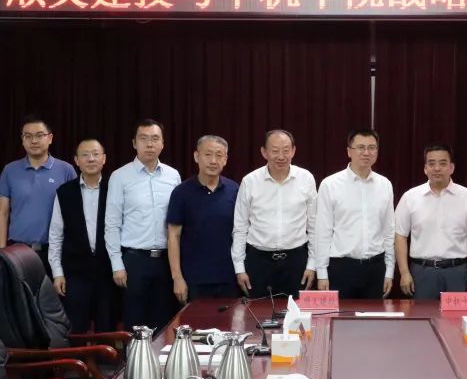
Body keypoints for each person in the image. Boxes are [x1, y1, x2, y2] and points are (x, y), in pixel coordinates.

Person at [105, 119, 181, 331]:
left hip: (165, 261)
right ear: (134, 143)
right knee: (135, 323)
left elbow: (177, 223)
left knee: (164, 323)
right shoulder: (120, 176)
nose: (149, 144)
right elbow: (112, 224)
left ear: (163, 144)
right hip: (134, 261)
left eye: (155, 139)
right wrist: (117, 264)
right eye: (144, 139)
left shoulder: (173, 175)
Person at [394, 144, 467, 300]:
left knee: (457, 316)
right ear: (425, 168)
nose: (437, 168)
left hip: (456, 272)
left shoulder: (466, 196)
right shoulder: (410, 197)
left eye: (443, 163)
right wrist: (404, 272)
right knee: (421, 315)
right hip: (422, 272)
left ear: (451, 168)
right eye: (431, 164)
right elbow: (400, 236)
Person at [232, 130, 317, 299]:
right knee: (258, 312)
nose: (281, 156)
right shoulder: (250, 181)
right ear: (264, 152)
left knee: (296, 313)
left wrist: (312, 265)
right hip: (258, 262)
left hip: (296, 262)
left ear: (293, 151)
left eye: (286, 150)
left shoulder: (306, 178)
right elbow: (240, 227)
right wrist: (239, 268)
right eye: (275, 151)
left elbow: (314, 227)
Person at [315, 129, 394, 299]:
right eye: (360, 147)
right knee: (340, 316)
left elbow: (388, 231)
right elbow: (322, 232)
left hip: (375, 268)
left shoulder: (385, 185)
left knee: (374, 316)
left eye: (372, 147)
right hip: (341, 268)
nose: (366, 152)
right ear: (349, 151)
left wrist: (389, 271)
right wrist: (321, 273)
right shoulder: (330, 185)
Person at [48, 138, 116, 333]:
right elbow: (56, 235)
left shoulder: (115, 188)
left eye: (95, 154)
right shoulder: (65, 192)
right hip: (75, 273)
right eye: (85, 155)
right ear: (76, 161)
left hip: (108, 272)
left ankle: (106, 355)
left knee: (107, 328)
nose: (91, 159)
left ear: (104, 159)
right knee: (75, 328)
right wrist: (57, 273)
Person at [0, 115, 76, 274]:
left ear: (50, 138)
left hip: (55, 251)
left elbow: (75, 213)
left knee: (54, 291)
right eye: (28, 136)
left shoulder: (66, 170)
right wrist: (2, 251)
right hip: (17, 250)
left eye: (39, 135)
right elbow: (3, 213)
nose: (34, 141)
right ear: (22, 139)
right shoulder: (10, 170)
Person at [167, 135, 239, 303]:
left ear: (225, 160)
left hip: (229, 278)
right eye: (208, 154)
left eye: (219, 155)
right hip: (193, 280)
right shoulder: (181, 193)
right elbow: (173, 236)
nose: (213, 160)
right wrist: (177, 277)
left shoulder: (235, 190)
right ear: (196, 156)